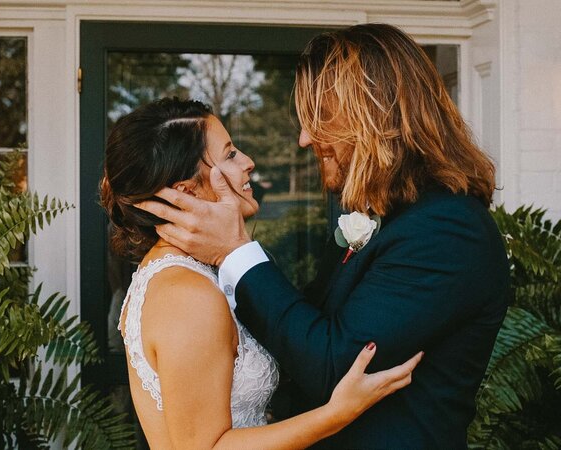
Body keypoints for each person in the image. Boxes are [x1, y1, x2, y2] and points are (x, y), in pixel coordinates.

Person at [136, 23, 511, 449]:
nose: (304, 138)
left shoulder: (446, 232)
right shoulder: (382, 216)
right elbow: (304, 333)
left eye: (319, 120)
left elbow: (334, 365)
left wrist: (235, 252)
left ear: (374, 117)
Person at [100, 97, 423, 449]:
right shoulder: (186, 294)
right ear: (186, 193)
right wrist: (336, 414)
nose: (249, 162)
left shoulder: (190, 272)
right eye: (230, 155)